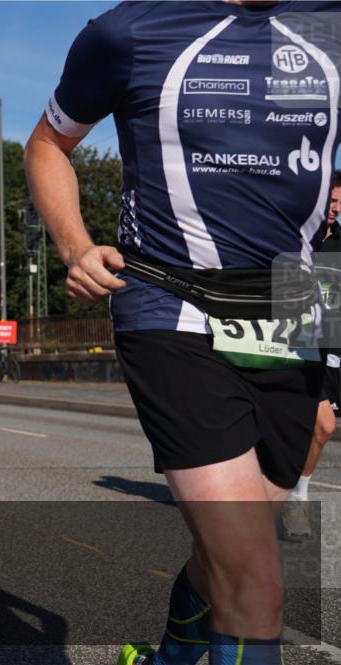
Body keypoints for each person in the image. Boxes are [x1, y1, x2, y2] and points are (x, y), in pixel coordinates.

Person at [24, 4, 338, 664]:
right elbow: (49, 145)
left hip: (295, 307)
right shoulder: (131, 31)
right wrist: (76, 246)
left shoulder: (327, 24)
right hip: (171, 304)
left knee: (228, 553)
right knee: (258, 586)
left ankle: (168, 656)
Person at [282, 171, 341, 541]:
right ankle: (296, 501)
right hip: (294, 348)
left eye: (339, 202)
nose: (334, 208)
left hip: (331, 352)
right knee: (323, 426)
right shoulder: (293, 239)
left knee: (317, 430)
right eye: (330, 201)